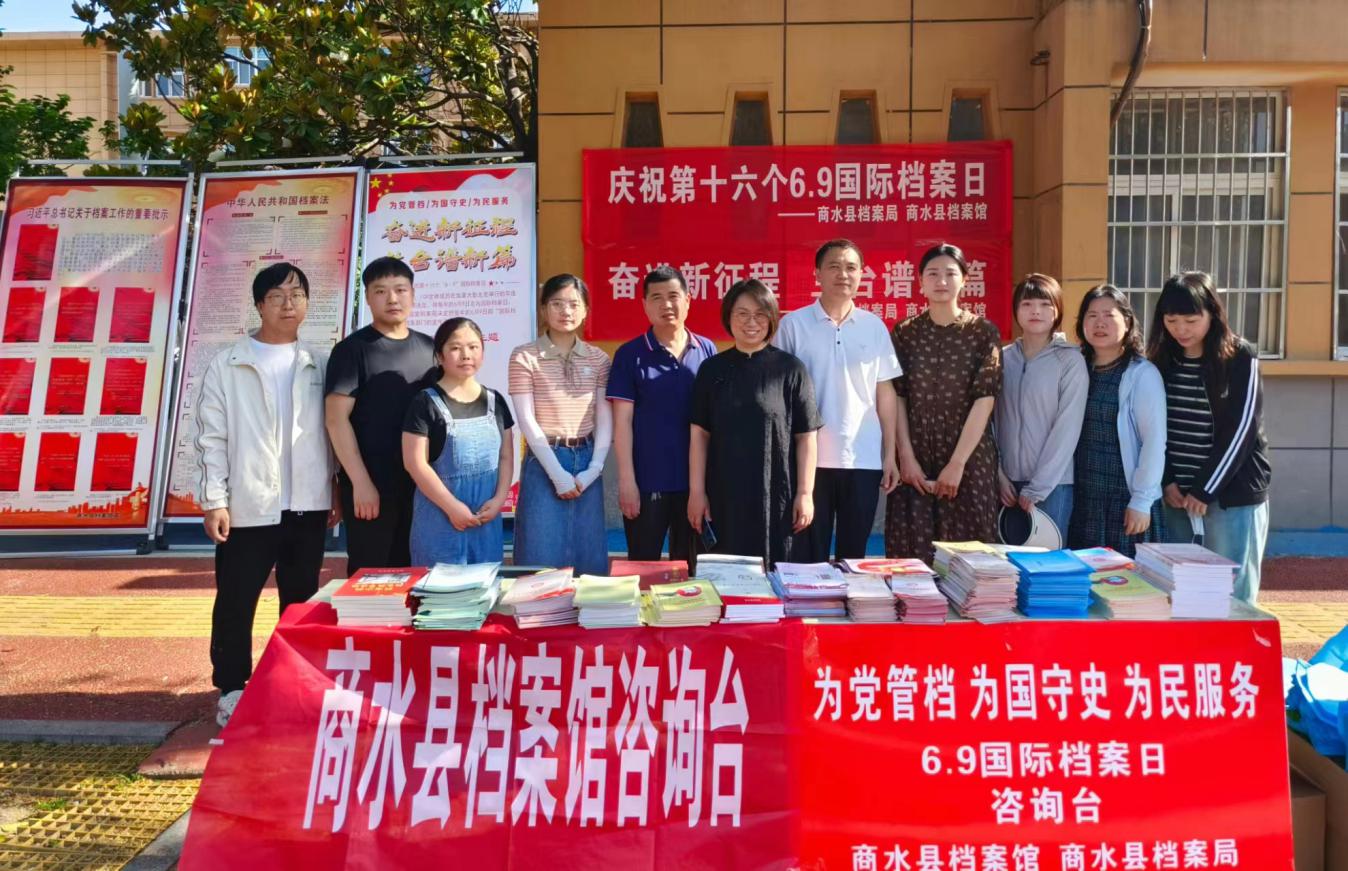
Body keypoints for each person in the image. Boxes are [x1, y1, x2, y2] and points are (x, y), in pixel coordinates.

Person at [196, 263, 338, 727]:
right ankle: (232, 687)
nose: (288, 304)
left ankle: (293, 682)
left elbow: (333, 431)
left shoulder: (318, 362)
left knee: (301, 602)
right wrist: (215, 500)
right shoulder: (229, 363)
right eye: (276, 296)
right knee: (236, 601)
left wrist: (334, 486)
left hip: (307, 504)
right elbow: (211, 437)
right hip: (249, 504)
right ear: (259, 305)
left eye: (297, 295)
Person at [774, 240, 901, 561]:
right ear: (817, 273)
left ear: (861, 275)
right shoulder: (793, 325)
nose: (843, 274)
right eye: (834, 266)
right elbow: (779, 396)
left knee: (853, 557)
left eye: (851, 267)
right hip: (808, 461)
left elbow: (885, 394)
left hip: (863, 459)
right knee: (807, 557)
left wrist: (889, 455)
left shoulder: (874, 327)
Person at [1149, 271, 1270, 603]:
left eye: (1191, 320)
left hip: (1230, 496)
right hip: (1177, 496)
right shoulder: (1161, 360)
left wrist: (1205, 488)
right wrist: (1167, 481)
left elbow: (1242, 429)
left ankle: (1241, 640)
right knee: (1180, 591)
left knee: (1233, 592)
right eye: (1172, 321)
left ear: (1212, 314)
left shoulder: (1240, 357)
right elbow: (1154, 428)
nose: (1181, 330)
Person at [688, 279, 821, 566]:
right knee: (724, 572)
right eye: (742, 313)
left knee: (778, 571)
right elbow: (699, 435)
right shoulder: (712, 370)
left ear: (771, 318)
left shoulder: (791, 369)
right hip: (724, 494)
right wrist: (697, 492)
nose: (751, 322)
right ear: (728, 317)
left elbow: (806, 436)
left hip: (777, 494)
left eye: (760, 314)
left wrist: (805, 493)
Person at [886, 243, 1002, 564]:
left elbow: (985, 398)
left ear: (964, 280)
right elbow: (897, 395)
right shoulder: (905, 333)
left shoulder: (983, 332)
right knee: (911, 560)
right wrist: (906, 457)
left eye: (950, 273)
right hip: (916, 461)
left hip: (969, 458)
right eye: (932, 274)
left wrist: (957, 463)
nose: (941, 281)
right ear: (920, 282)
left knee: (971, 561)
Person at [325, 256, 436, 575]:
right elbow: (335, 420)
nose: (392, 299)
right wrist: (360, 482)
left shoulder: (430, 349)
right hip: (371, 485)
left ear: (412, 294)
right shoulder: (352, 350)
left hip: (420, 486)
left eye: (400, 290)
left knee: (418, 573)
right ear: (368, 297)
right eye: (381, 291)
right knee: (371, 577)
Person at [609, 266, 717, 564]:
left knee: (692, 568)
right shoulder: (630, 354)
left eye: (673, 296)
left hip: (695, 485)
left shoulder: (706, 349)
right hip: (647, 482)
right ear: (644, 304)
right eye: (656, 298)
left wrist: (707, 486)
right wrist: (626, 481)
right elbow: (622, 422)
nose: (666, 305)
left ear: (688, 300)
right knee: (643, 566)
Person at [508, 274, 612, 574]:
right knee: (540, 555)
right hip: (545, 460)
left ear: (585, 311)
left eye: (574, 304)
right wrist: (557, 474)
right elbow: (527, 420)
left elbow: (604, 417)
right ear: (543, 309)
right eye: (557, 304)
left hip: (587, 459)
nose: (566, 311)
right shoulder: (524, 356)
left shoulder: (599, 359)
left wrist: (595, 468)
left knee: (588, 555)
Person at [402, 318, 515, 565]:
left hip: (486, 521)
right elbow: (415, 463)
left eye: (473, 347)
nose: (466, 355)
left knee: (485, 584)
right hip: (439, 520)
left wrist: (499, 500)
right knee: (438, 587)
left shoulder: (495, 401)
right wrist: (452, 507)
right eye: (455, 348)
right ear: (440, 356)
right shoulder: (424, 403)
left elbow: (506, 456)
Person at [1067, 284, 1167, 556]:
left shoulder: (1141, 374)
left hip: (1124, 500)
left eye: (1109, 315)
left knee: (1126, 578)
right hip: (1082, 498)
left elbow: (1154, 441)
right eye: (1091, 315)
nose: (1099, 323)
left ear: (1127, 321)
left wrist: (1142, 501)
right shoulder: (1076, 367)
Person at [995, 273, 1088, 539]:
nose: (1036, 311)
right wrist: (998, 475)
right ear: (1015, 311)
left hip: (1052, 486)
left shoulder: (1070, 360)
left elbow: (1067, 428)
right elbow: (990, 422)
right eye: (1027, 304)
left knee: (1046, 561)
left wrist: (1039, 486)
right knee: (1004, 561)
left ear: (1058, 310)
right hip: (1006, 485)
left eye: (1045, 304)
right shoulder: (1002, 358)